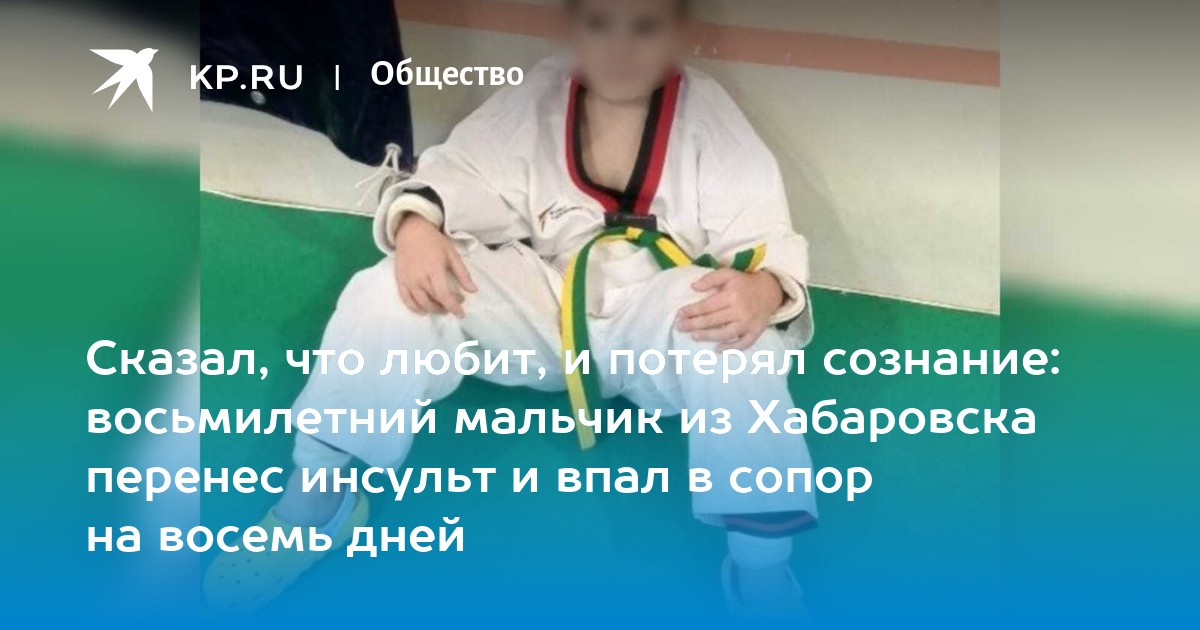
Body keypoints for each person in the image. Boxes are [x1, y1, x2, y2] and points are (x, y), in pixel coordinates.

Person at [205, 0, 816, 619]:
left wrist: (766, 289)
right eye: (599, 25)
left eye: (644, 27)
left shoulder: (707, 116)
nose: (620, 48)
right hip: (545, 303)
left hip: (659, 321)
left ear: (681, 34)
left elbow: (762, 232)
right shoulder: (539, 97)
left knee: (742, 336)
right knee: (393, 287)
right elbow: (459, 177)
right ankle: (315, 500)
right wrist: (417, 225)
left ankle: (760, 569)